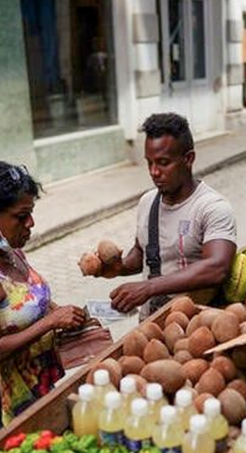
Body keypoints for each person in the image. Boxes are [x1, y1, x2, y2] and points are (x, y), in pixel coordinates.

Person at [0, 160, 88, 431]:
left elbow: (28, 300)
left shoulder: (9, 250)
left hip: (39, 382)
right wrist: (50, 322)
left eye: (31, 212)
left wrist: (63, 315)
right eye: (21, 216)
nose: (31, 222)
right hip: (13, 397)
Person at [83, 112, 237, 318]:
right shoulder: (147, 202)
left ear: (188, 159)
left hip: (194, 328)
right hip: (151, 325)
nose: (154, 172)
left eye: (163, 163)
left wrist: (148, 287)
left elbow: (217, 267)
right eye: (149, 163)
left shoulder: (212, 208)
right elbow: (143, 255)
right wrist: (114, 267)